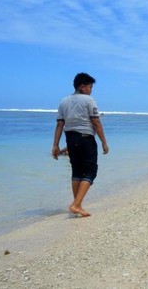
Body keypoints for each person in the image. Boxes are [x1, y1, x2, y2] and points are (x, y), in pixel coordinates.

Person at [52, 72, 109, 217]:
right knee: (91, 171)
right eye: (90, 87)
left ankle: (77, 204)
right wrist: (104, 142)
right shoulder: (89, 100)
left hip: (70, 139)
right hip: (85, 139)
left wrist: (55, 145)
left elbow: (59, 124)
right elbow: (96, 122)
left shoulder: (63, 101)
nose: (91, 90)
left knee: (76, 172)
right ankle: (76, 204)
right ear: (82, 87)